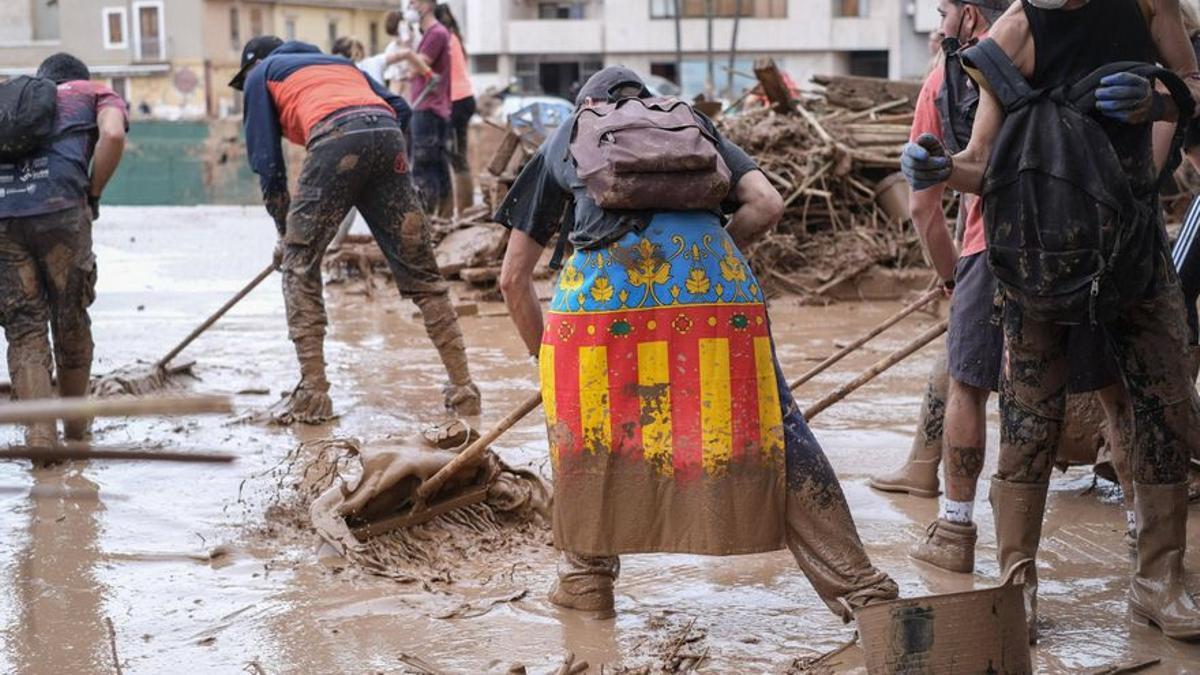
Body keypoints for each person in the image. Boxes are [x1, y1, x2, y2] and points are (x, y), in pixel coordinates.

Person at [495, 67, 898, 620]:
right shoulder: (693, 126)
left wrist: (549, 367)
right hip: (715, 296)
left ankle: (586, 584)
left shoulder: (567, 133)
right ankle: (863, 590)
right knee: (775, 431)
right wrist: (706, 260)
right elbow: (767, 204)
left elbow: (513, 279)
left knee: (586, 434)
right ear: (648, 100)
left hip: (602, 304)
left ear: (585, 104)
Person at [902, 0, 1200, 641]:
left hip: (1133, 247)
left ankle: (1160, 583)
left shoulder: (1148, 6)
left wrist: (1161, 102)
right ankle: (1019, 586)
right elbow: (981, 163)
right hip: (1038, 256)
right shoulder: (1011, 35)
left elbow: (1193, 87)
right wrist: (941, 167)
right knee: (1028, 420)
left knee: (1165, 406)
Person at [877, 0, 1135, 577]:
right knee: (1118, 393)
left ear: (970, 17)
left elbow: (928, 205)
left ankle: (956, 529)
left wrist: (950, 279)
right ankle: (1145, 548)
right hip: (1089, 248)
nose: (939, 24)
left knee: (968, 384)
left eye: (944, 11)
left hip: (990, 248)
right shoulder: (1089, 44)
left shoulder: (952, 73)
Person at [231, 35, 481, 422]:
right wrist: (377, 155)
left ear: (253, 62)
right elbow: (399, 107)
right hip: (386, 135)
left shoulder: (259, 73)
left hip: (334, 139)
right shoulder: (342, 65)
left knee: (299, 269)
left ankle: (313, 394)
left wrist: (287, 236)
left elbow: (267, 162)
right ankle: (464, 388)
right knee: (423, 274)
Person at [0, 53, 127, 448]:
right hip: (61, 213)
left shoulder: (11, 99)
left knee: (24, 327)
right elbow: (113, 136)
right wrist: (93, 192)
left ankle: (40, 438)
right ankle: (76, 434)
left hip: (4, 218)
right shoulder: (94, 93)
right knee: (70, 316)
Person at [394, 0, 453, 214]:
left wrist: (406, 48)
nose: (410, 5)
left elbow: (419, 65)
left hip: (429, 107)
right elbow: (413, 71)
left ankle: (426, 220)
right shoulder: (432, 34)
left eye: (414, 1)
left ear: (427, 5)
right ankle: (443, 219)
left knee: (424, 165)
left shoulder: (436, 33)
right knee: (437, 165)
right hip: (432, 107)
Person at [434, 3, 477, 216]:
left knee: (455, 158)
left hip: (456, 101)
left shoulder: (443, 40)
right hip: (464, 99)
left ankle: (463, 210)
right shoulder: (455, 37)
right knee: (456, 156)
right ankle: (460, 209)